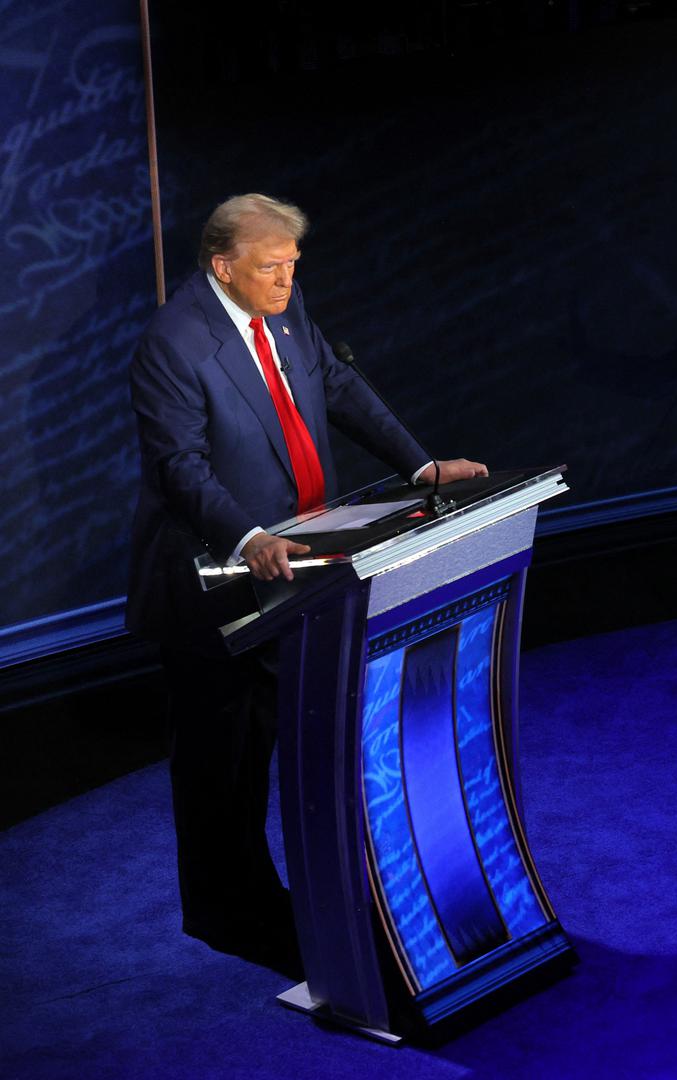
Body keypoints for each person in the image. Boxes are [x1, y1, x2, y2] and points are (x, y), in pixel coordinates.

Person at [127, 193, 487, 976]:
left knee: (299, 735)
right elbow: (178, 468)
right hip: (215, 587)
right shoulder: (174, 343)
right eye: (271, 268)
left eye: (293, 266)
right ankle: (228, 912)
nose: (287, 281)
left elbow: (338, 385)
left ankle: (304, 903)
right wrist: (249, 536)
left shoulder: (285, 308)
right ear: (223, 267)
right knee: (225, 760)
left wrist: (419, 465)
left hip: (302, 576)